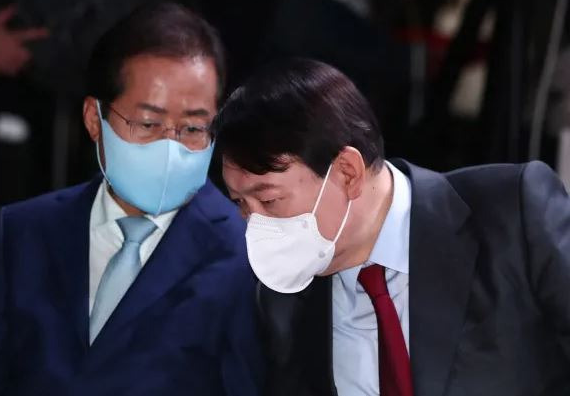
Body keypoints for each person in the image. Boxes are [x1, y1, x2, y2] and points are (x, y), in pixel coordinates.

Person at [0, 2, 264, 396]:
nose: (170, 146)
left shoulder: (247, 257)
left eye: (194, 127)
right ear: (95, 119)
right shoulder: (23, 233)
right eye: (148, 123)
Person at [213, 58, 570, 396]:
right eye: (241, 204)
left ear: (347, 173)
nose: (255, 225)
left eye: (270, 200)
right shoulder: (283, 302)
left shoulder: (512, 215)